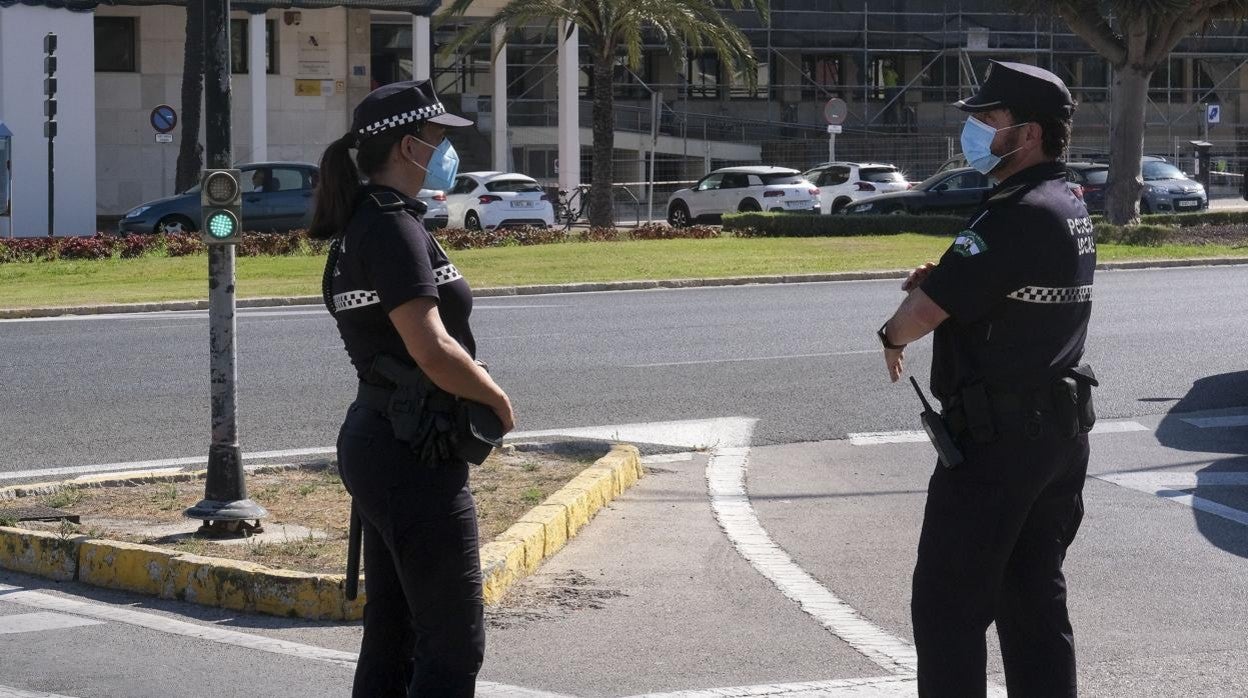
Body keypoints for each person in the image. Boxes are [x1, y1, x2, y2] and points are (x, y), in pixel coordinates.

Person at [875, 61, 1096, 697]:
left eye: (986, 119)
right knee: (1032, 600)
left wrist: (891, 335)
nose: (973, 130)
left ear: (1025, 134)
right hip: (1053, 435)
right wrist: (946, 282)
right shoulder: (1065, 199)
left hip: (999, 444)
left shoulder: (1016, 212)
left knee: (947, 606)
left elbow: (920, 316)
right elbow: (1006, 289)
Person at [308, 80, 515, 697]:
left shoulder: (367, 224)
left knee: (394, 632)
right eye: (439, 137)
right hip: (409, 451)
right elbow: (431, 348)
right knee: (453, 641)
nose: (446, 148)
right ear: (408, 145)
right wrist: (497, 401)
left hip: (388, 439)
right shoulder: (389, 227)